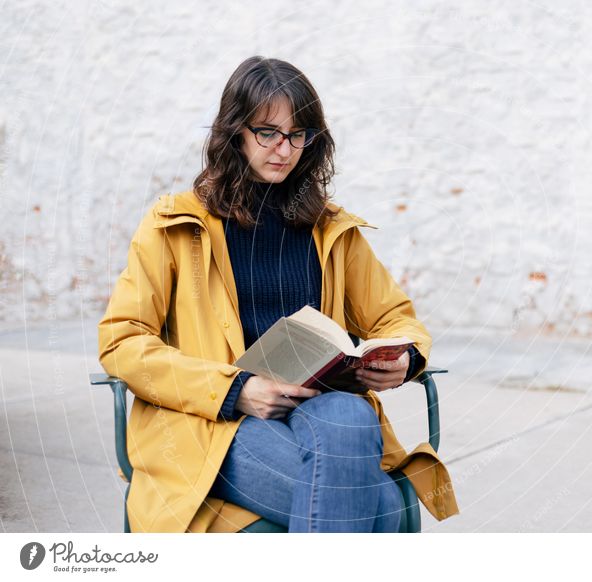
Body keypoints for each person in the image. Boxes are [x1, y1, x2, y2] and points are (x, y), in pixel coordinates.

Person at [97, 56, 459, 533]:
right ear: (235, 133)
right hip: (215, 426)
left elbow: (395, 317)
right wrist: (234, 390)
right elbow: (122, 341)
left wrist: (404, 357)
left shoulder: (332, 228)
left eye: (298, 134)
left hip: (322, 405)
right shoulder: (174, 226)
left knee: (352, 416)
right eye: (268, 132)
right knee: (385, 510)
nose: (284, 149)